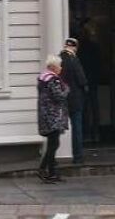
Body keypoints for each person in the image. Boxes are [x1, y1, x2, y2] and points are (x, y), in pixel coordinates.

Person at [37, 54, 69, 183]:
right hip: (53, 116)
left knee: (52, 144)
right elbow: (59, 96)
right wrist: (66, 89)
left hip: (45, 115)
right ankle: (44, 170)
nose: (61, 68)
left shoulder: (42, 78)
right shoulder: (53, 80)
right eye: (59, 66)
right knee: (53, 144)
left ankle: (51, 172)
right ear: (53, 67)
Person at [60, 37, 88, 163]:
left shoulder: (58, 59)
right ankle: (78, 156)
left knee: (56, 128)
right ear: (75, 47)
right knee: (77, 127)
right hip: (75, 98)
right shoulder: (74, 60)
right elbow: (81, 79)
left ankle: (54, 155)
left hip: (62, 97)